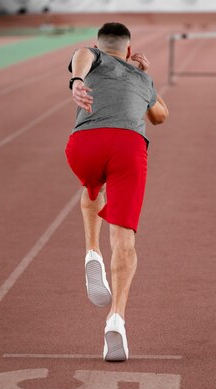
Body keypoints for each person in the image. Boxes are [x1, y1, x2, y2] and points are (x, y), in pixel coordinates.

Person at [65, 22, 169, 361]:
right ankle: (116, 320)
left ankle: (91, 251)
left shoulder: (91, 57)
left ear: (100, 45)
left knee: (92, 185)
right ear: (127, 49)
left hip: (85, 142)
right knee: (125, 240)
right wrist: (141, 75)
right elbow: (160, 116)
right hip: (128, 146)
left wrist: (77, 80)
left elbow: (81, 54)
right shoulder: (141, 78)